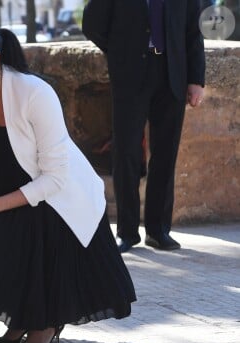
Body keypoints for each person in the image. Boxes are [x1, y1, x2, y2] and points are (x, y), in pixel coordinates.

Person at [0, 17, 136, 343]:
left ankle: (44, 321)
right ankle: (17, 320)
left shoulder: (35, 93)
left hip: (51, 194)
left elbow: (54, 178)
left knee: (30, 223)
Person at [82, 0, 206, 253]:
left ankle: (158, 230)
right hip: (130, 74)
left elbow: (194, 30)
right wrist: (120, 52)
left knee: (165, 154)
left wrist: (196, 79)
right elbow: (92, 23)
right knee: (125, 151)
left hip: (172, 74)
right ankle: (126, 232)